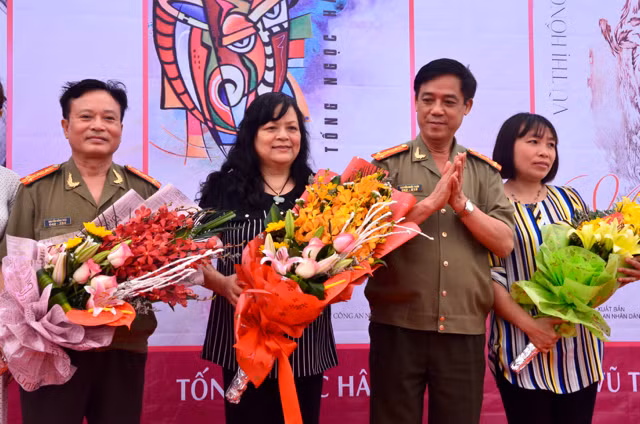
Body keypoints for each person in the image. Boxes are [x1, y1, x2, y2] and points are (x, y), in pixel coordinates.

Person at [0, 79, 161, 424]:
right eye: (86, 117)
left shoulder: (146, 192)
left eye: (109, 118)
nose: (98, 126)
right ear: (66, 126)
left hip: (122, 344)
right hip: (50, 348)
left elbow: (167, 261)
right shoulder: (36, 191)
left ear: (121, 128)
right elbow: (9, 269)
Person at [366, 58, 515, 424]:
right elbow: (365, 243)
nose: (437, 110)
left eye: (449, 101)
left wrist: (462, 205)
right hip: (397, 326)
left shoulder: (483, 172)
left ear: (467, 107)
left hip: (463, 328)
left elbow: (504, 243)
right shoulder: (385, 168)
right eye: (428, 99)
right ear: (415, 101)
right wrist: (428, 205)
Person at [488, 112, 640, 424]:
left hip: (578, 354)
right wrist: (533, 328)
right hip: (521, 346)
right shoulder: (491, 204)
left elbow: (593, 266)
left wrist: (620, 275)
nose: (544, 152)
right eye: (533, 142)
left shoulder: (569, 199)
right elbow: (489, 278)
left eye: (551, 145)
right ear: (508, 146)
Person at [198, 92, 337, 424]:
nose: (283, 136)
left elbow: (341, 260)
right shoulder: (223, 189)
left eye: (292, 128)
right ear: (252, 134)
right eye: (272, 128)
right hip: (242, 336)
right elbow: (192, 254)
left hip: (303, 341)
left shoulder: (320, 190)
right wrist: (220, 283)